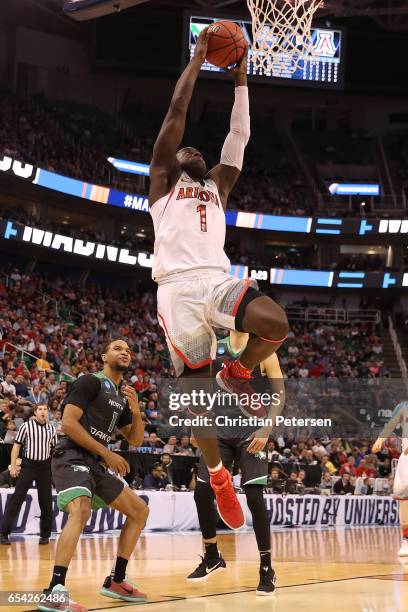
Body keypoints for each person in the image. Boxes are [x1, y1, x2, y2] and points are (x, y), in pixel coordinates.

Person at [149, 27, 288, 531]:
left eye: (199, 152)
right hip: (176, 288)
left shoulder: (218, 187)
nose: (194, 150)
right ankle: (216, 474)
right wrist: (198, 57)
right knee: (195, 394)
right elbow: (175, 113)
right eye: (187, 150)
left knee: (275, 322)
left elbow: (239, 138)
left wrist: (241, 79)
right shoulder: (163, 182)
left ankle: (238, 373)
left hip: (215, 279)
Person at [38, 338, 148, 612]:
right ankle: (54, 589)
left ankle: (116, 580)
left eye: (128, 349)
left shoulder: (121, 397)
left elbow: (135, 439)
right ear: (103, 356)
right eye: (118, 348)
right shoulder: (90, 381)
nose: (125, 351)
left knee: (139, 511)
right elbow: (68, 423)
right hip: (71, 454)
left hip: (95, 461)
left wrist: (135, 410)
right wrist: (108, 453)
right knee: (81, 510)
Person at [187, 331, 284, 595]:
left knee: (254, 496)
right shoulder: (213, 348)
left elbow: (279, 394)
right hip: (218, 431)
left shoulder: (265, 350)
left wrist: (266, 429)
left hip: (251, 432)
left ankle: (266, 568)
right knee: (202, 491)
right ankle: (212, 556)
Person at [1, 404, 56, 545]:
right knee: (17, 498)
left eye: (45, 409)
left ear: (47, 412)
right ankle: (4, 533)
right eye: (40, 410)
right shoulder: (26, 426)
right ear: (35, 412)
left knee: (46, 501)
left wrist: (55, 471)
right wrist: (13, 466)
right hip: (28, 466)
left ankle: (45, 535)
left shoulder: (52, 429)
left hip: (45, 467)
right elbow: (17, 446)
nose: (43, 412)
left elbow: (54, 452)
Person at [372, 400, 408, 556]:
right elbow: (390, 425)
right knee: (405, 502)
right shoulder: (403, 406)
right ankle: (406, 540)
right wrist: (380, 440)